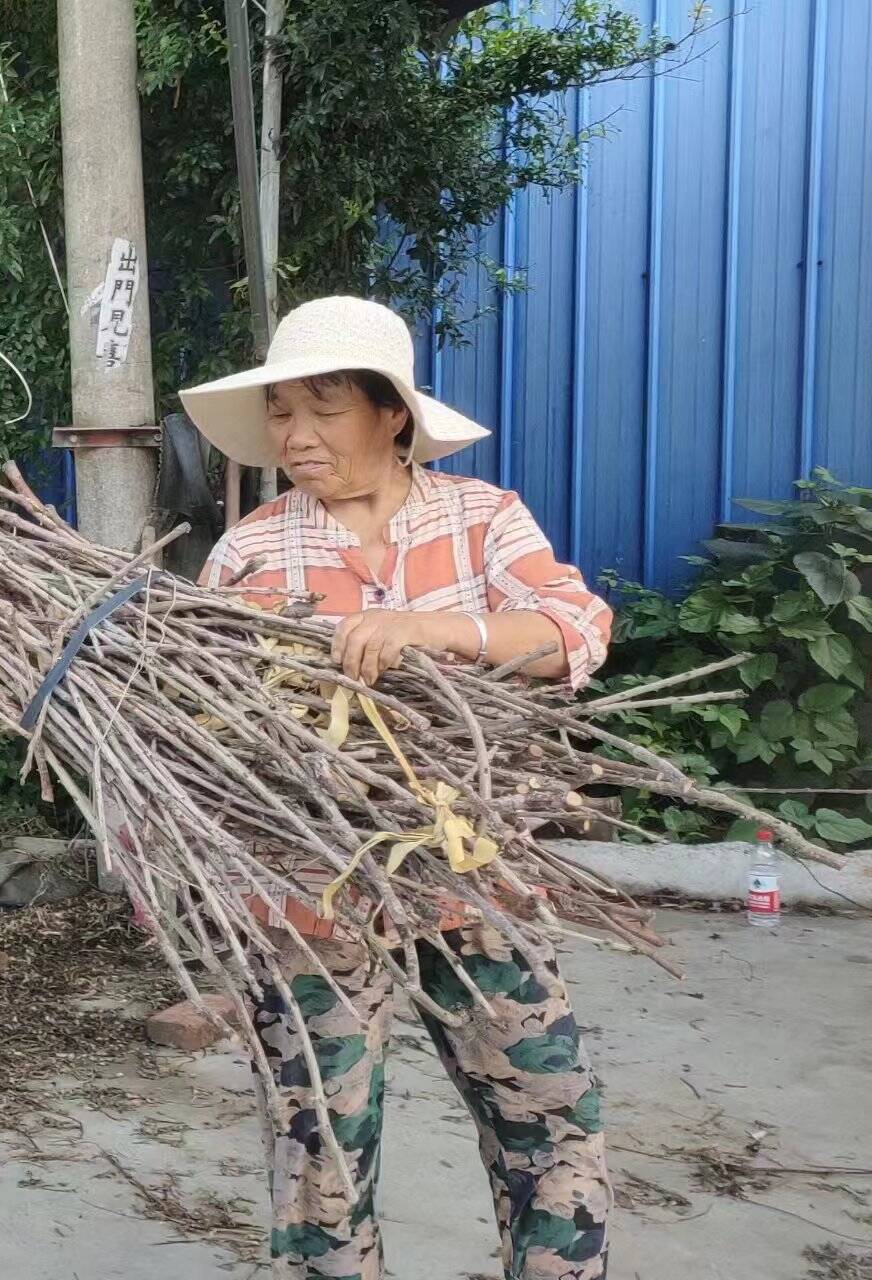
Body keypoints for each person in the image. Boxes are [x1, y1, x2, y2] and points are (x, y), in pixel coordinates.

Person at [177, 296, 616, 1280]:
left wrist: (432, 629)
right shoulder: (249, 552)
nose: (295, 435)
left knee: (548, 1120)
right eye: (281, 411)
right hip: (310, 896)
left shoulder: (482, 519)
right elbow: (210, 725)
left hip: (476, 883)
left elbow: (575, 628)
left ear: (392, 414)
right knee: (319, 1158)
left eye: (323, 408)